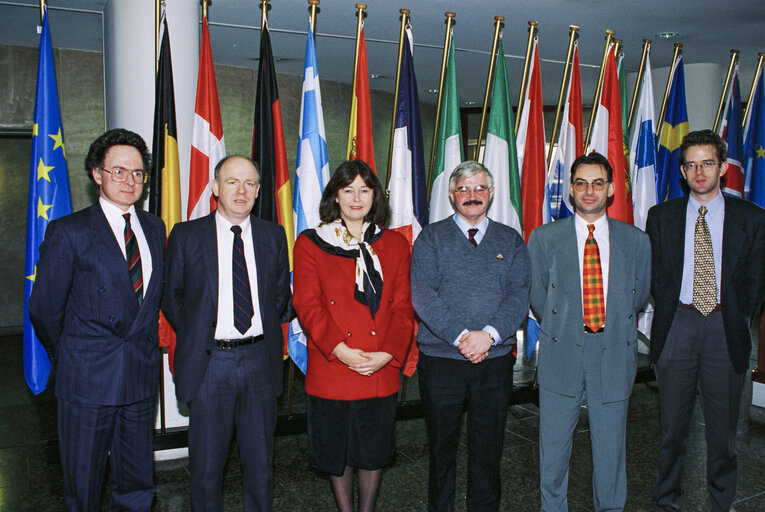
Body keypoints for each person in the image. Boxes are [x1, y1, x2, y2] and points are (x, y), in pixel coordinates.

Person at [28, 129, 165, 511]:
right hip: (87, 380)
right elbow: (44, 309)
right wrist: (75, 353)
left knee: (138, 484)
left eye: (138, 173)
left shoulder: (155, 229)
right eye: (118, 171)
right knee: (83, 485)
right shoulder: (69, 231)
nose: (129, 181)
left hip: (139, 378)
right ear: (96, 174)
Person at [162, 155, 291, 512]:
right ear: (215, 188)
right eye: (232, 182)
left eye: (250, 183)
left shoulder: (273, 235)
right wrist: (201, 332)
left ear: (259, 191)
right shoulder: (187, 235)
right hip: (210, 363)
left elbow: (281, 297)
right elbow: (171, 298)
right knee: (206, 466)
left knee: (261, 463)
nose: (242, 190)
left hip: (260, 362)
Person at [647, 130, 765, 512]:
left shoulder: (751, 218)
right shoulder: (661, 216)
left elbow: (757, 280)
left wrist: (735, 312)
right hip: (677, 326)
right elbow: (656, 275)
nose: (699, 171)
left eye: (707, 163)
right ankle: (667, 501)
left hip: (723, 327)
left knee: (723, 433)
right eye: (691, 164)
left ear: (722, 167)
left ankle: (721, 501)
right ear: (682, 171)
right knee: (672, 431)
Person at [527, 152, 651, 512]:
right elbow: (537, 296)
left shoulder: (635, 241)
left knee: (611, 450)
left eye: (598, 183)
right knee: (552, 450)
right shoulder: (545, 238)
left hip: (613, 353)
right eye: (581, 183)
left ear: (611, 189)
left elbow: (637, 296)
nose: (589, 191)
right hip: (561, 351)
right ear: (570, 189)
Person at [292, 159, 414, 512]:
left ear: (376, 196)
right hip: (334, 365)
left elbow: (404, 307)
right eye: (348, 190)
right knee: (337, 452)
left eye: (364, 190)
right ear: (335, 196)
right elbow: (308, 304)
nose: (356, 198)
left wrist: (388, 354)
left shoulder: (394, 244)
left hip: (380, 366)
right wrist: (341, 350)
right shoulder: (312, 242)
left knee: (373, 452)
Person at [410, 160, 530, 511]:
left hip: (493, 363)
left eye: (479, 188)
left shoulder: (511, 240)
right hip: (441, 361)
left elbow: (519, 296)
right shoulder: (430, 238)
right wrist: (464, 337)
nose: (472, 196)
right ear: (451, 195)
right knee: (441, 446)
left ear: (492, 193)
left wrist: (488, 337)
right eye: (463, 189)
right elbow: (423, 296)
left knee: (488, 446)